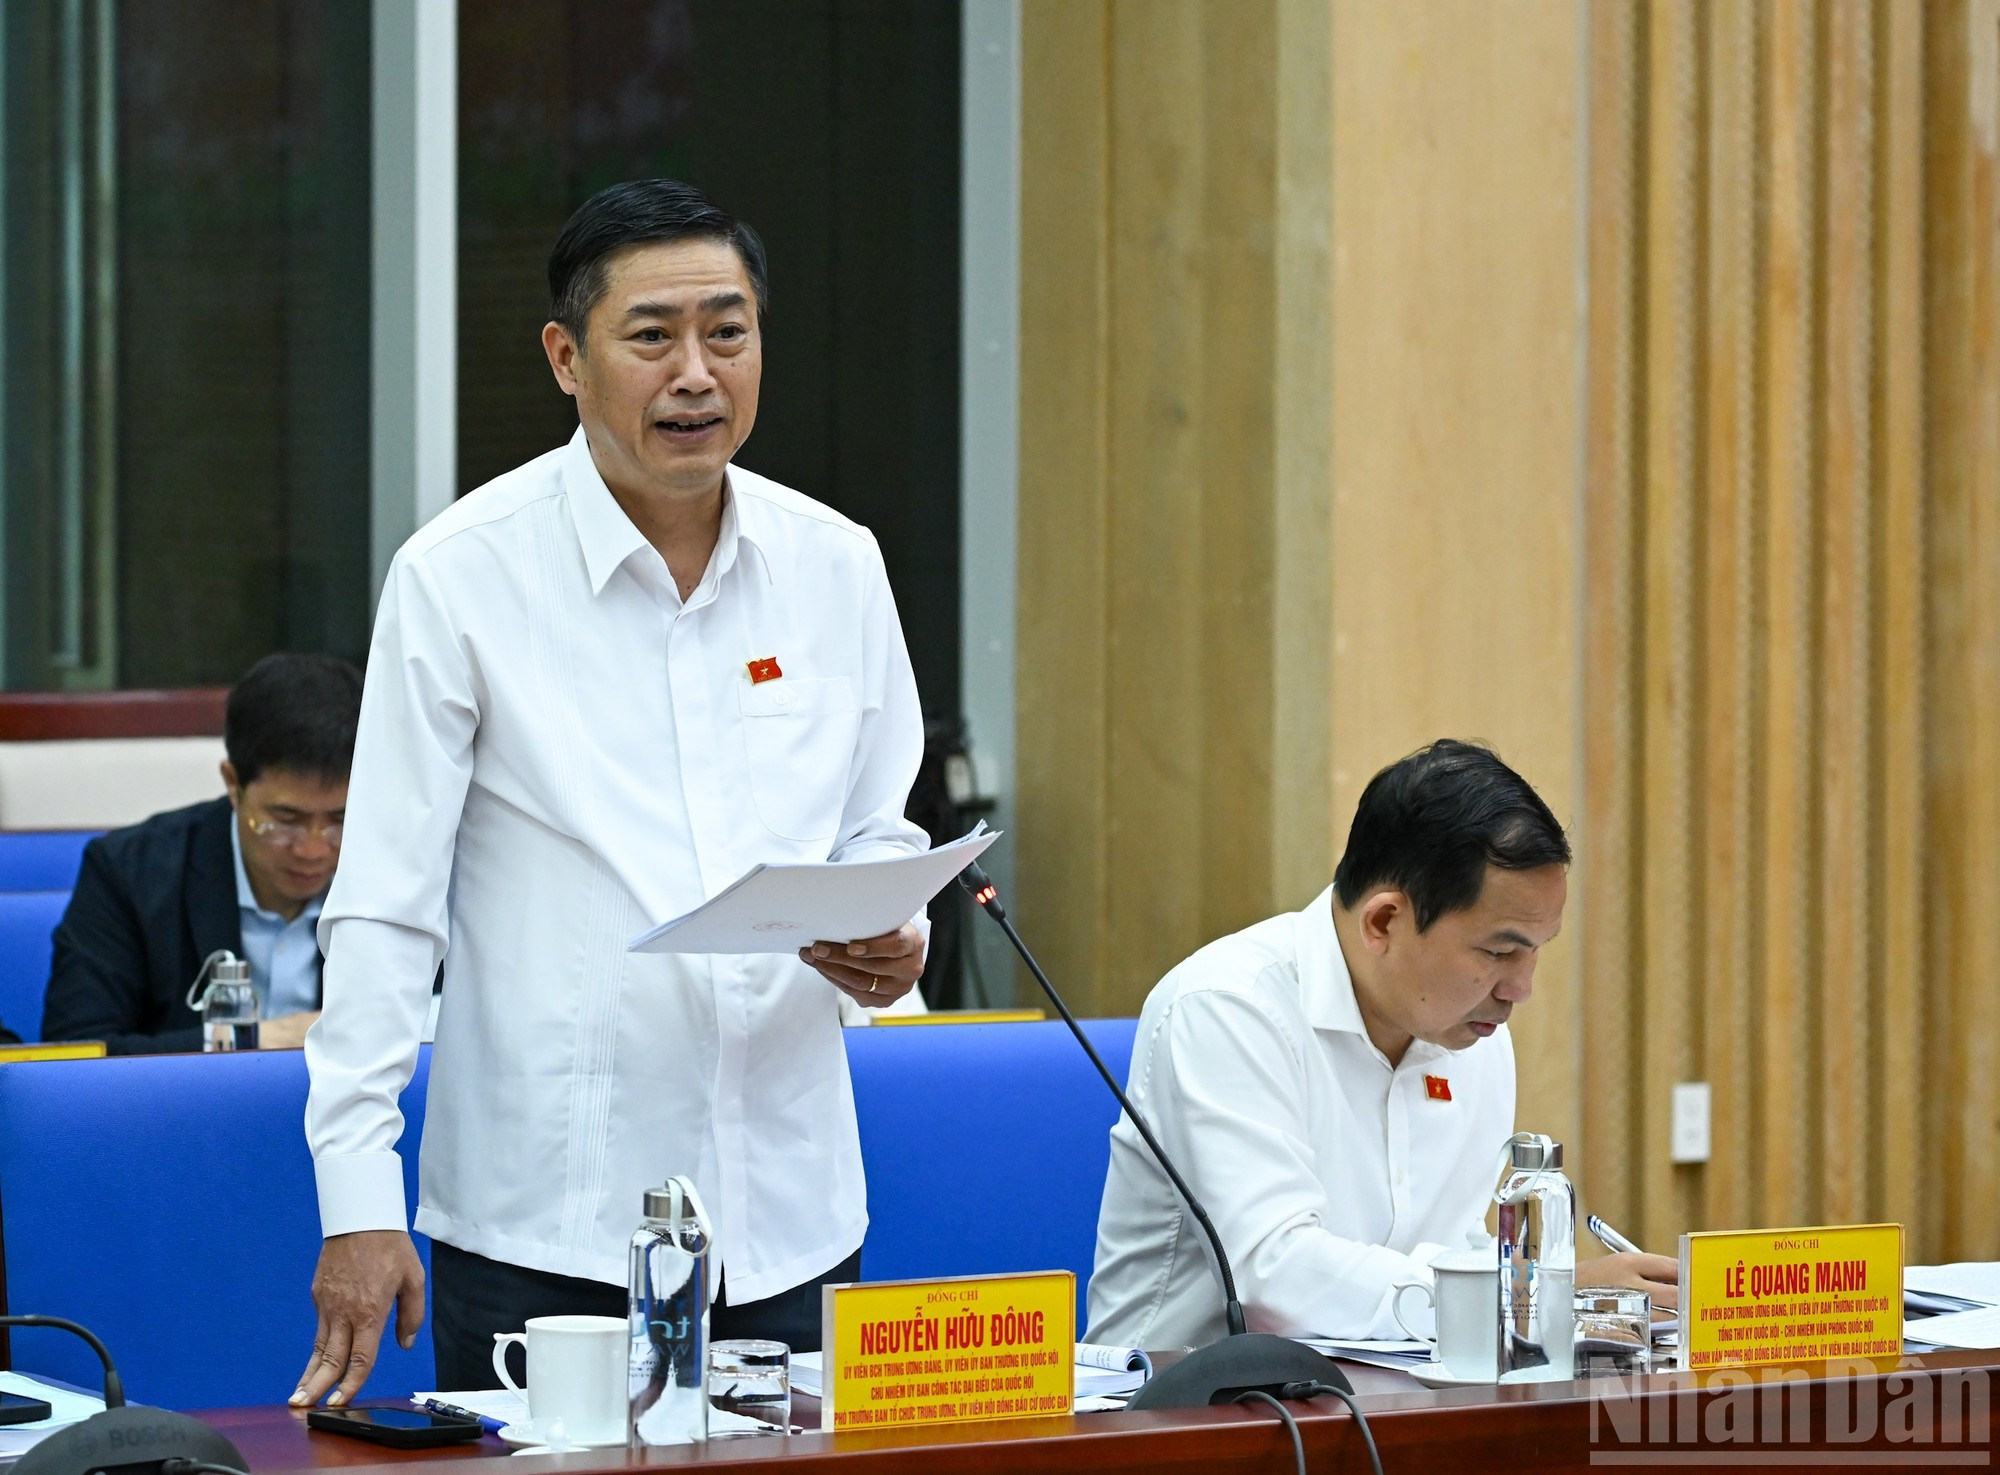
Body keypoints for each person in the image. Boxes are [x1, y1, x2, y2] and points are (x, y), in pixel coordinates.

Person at [293, 179, 930, 1408]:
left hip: (789, 1210)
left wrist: (893, 933)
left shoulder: (836, 562)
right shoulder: (460, 576)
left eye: (726, 331)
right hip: (549, 1219)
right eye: (652, 337)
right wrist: (357, 1198)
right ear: (565, 358)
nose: (695, 372)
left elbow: (877, 816)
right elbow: (383, 907)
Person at [1086, 739, 1679, 1347]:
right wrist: (1534, 1297)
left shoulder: (1474, 1036)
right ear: (1383, 922)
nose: (1520, 989)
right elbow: (1273, 1277)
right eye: (1499, 952)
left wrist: (1576, 1311)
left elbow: (1448, 1247)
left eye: (1535, 952)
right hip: (1183, 1413)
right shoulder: (1227, 1008)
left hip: (1389, 1403)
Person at [40, 654, 359, 1055]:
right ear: (232, 784)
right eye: (286, 820)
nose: (313, 849)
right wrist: (247, 1041)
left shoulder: (411, 876)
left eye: (340, 820)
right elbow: (74, 1052)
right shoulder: (130, 873)